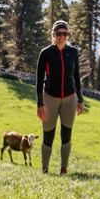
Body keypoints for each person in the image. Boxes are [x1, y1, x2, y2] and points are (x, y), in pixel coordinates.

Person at [36, 20, 84, 175]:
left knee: (66, 135)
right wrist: (40, 104)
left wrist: (80, 100)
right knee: (48, 135)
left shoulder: (73, 52)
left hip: (70, 99)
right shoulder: (46, 53)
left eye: (65, 34)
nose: (62, 37)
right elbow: (38, 80)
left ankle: (64, 168)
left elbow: (77, 78)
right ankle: (44, 169)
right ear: (53, 35)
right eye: (59, 34)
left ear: (68, 35)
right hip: (50, 98)